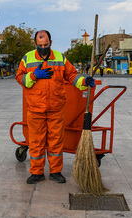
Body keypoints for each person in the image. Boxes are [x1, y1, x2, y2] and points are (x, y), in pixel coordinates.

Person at [16, 30, 95, 184]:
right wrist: (33, 76)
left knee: (56, 141)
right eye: (40, 45)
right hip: (35, 108)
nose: (43, 47)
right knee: (36, 142)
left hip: (56, 108)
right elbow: (19, 78)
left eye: (45, 45)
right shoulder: (27, 58)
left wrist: (84, 81)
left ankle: (55, 172)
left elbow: (72, 75)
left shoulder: (60, 58)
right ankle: (37, 172)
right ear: (35, 44)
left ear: (51, 43)